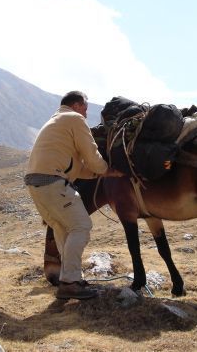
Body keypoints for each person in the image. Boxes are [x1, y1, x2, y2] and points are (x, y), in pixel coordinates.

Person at [24, 91, 123, 300]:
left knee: (62, 228)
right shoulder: (74, 119)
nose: (86, 114)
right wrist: (106, 169)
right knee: (81, 226)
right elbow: (92, 155)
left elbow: (78, 169)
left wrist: (100, 172)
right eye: (85, 109)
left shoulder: (56, 121)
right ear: (77, 105)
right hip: (52, 181)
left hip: (36, 182)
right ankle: (70, 283)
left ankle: (69, 279)